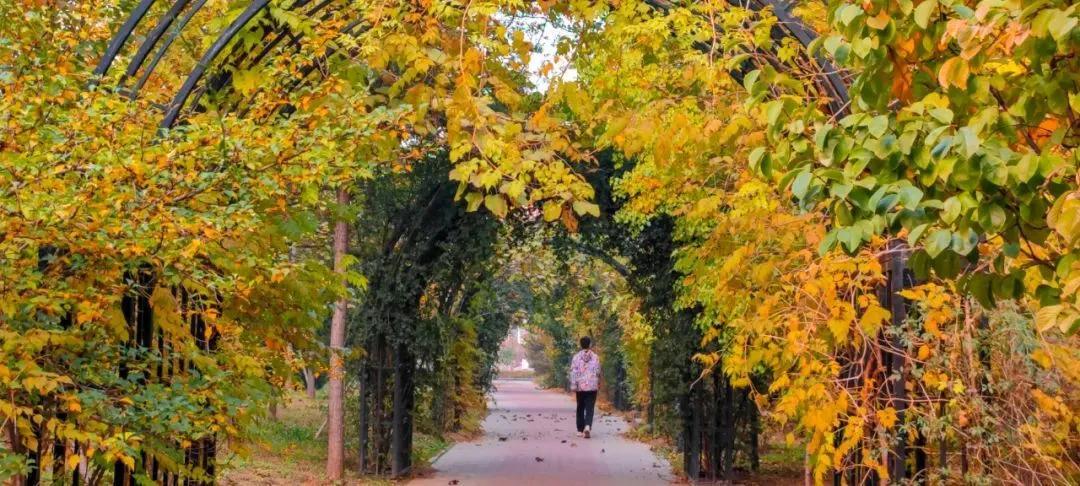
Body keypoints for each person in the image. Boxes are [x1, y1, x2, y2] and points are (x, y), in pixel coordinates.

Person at [569, 336, 600, 438]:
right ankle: (587, 426)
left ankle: (579, 430)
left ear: (580, 345)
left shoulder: (576, 357)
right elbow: (598, 371)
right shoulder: (595, 357)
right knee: (590, 407)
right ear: (589, 344)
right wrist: (597, 381)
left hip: (580, 386)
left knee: (580, 407)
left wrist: (573, 384)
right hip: (592, 385)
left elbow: (574, 372)